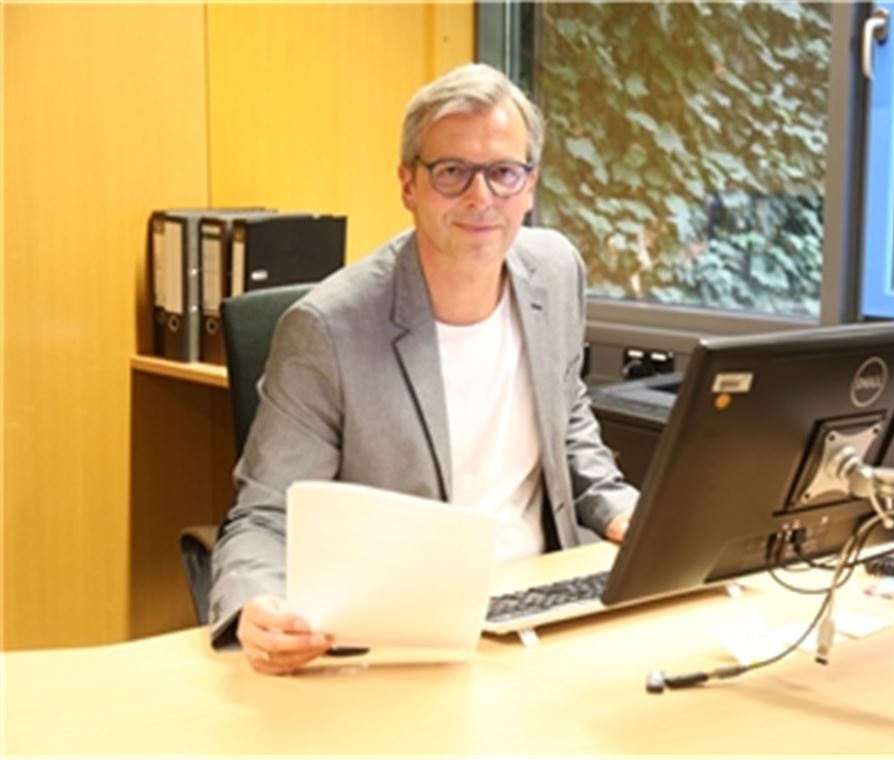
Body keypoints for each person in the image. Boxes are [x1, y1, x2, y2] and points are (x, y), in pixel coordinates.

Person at [208, 62, 639, 675]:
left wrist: (621, 508)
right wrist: (255, 604)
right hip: (401, 640)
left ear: (530, 185)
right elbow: (265, 515)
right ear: (408, 184)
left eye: (503, 173)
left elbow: (565, 414)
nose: (481, 197)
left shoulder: (555, 271)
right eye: (451, 172)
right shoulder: (327, 329)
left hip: (540, 607)